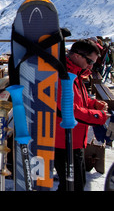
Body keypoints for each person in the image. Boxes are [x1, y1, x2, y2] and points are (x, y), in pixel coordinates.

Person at [54, 39, 110, 191]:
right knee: (72, 186)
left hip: (76, 140)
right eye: (90, 61)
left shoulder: (77, 74)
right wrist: (98, 116)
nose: (92, 66)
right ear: (77, 56)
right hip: (63, 142)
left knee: (75, 185)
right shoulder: (62, 75)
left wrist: (93, 104)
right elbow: (67, 110)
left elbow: (77, 102)